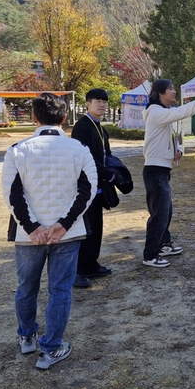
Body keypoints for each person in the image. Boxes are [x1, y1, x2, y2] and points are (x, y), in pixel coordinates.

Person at [2, 93, 97, 370]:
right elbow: (87, 191)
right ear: (64, 118)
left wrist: (33, 228)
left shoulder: (17, 150)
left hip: (27, 236)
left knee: (26, 287)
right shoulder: (78, 149)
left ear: (34, 117)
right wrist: (64, 223)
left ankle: (27, 337)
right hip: (66, 234)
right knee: (60, 290)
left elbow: (12, 195)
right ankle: (51, 348)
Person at [142, 79, 195, 267]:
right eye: (170, 89)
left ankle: (163, 244)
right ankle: (150, 255)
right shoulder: (155, 112)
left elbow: (169, 139)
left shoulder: (161, 113)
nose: (173, 91)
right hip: (155, 170)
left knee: (166, 211)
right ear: (160, 93)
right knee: (159, 214)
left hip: (161, 169)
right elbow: (181, 112)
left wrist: (175, 153)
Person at [71, 88, 114, 288]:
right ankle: (77, 269)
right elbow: (85, 158)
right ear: (87, 103)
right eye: (97, 100)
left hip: (99, 186)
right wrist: (107, 173)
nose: (102, 104)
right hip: (85, 187)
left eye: (104, 101)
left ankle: (91, 264)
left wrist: (114, 174)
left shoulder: (101, 128)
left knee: (96, 227)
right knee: (84, 229)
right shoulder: (81, 127)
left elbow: (107, 156)